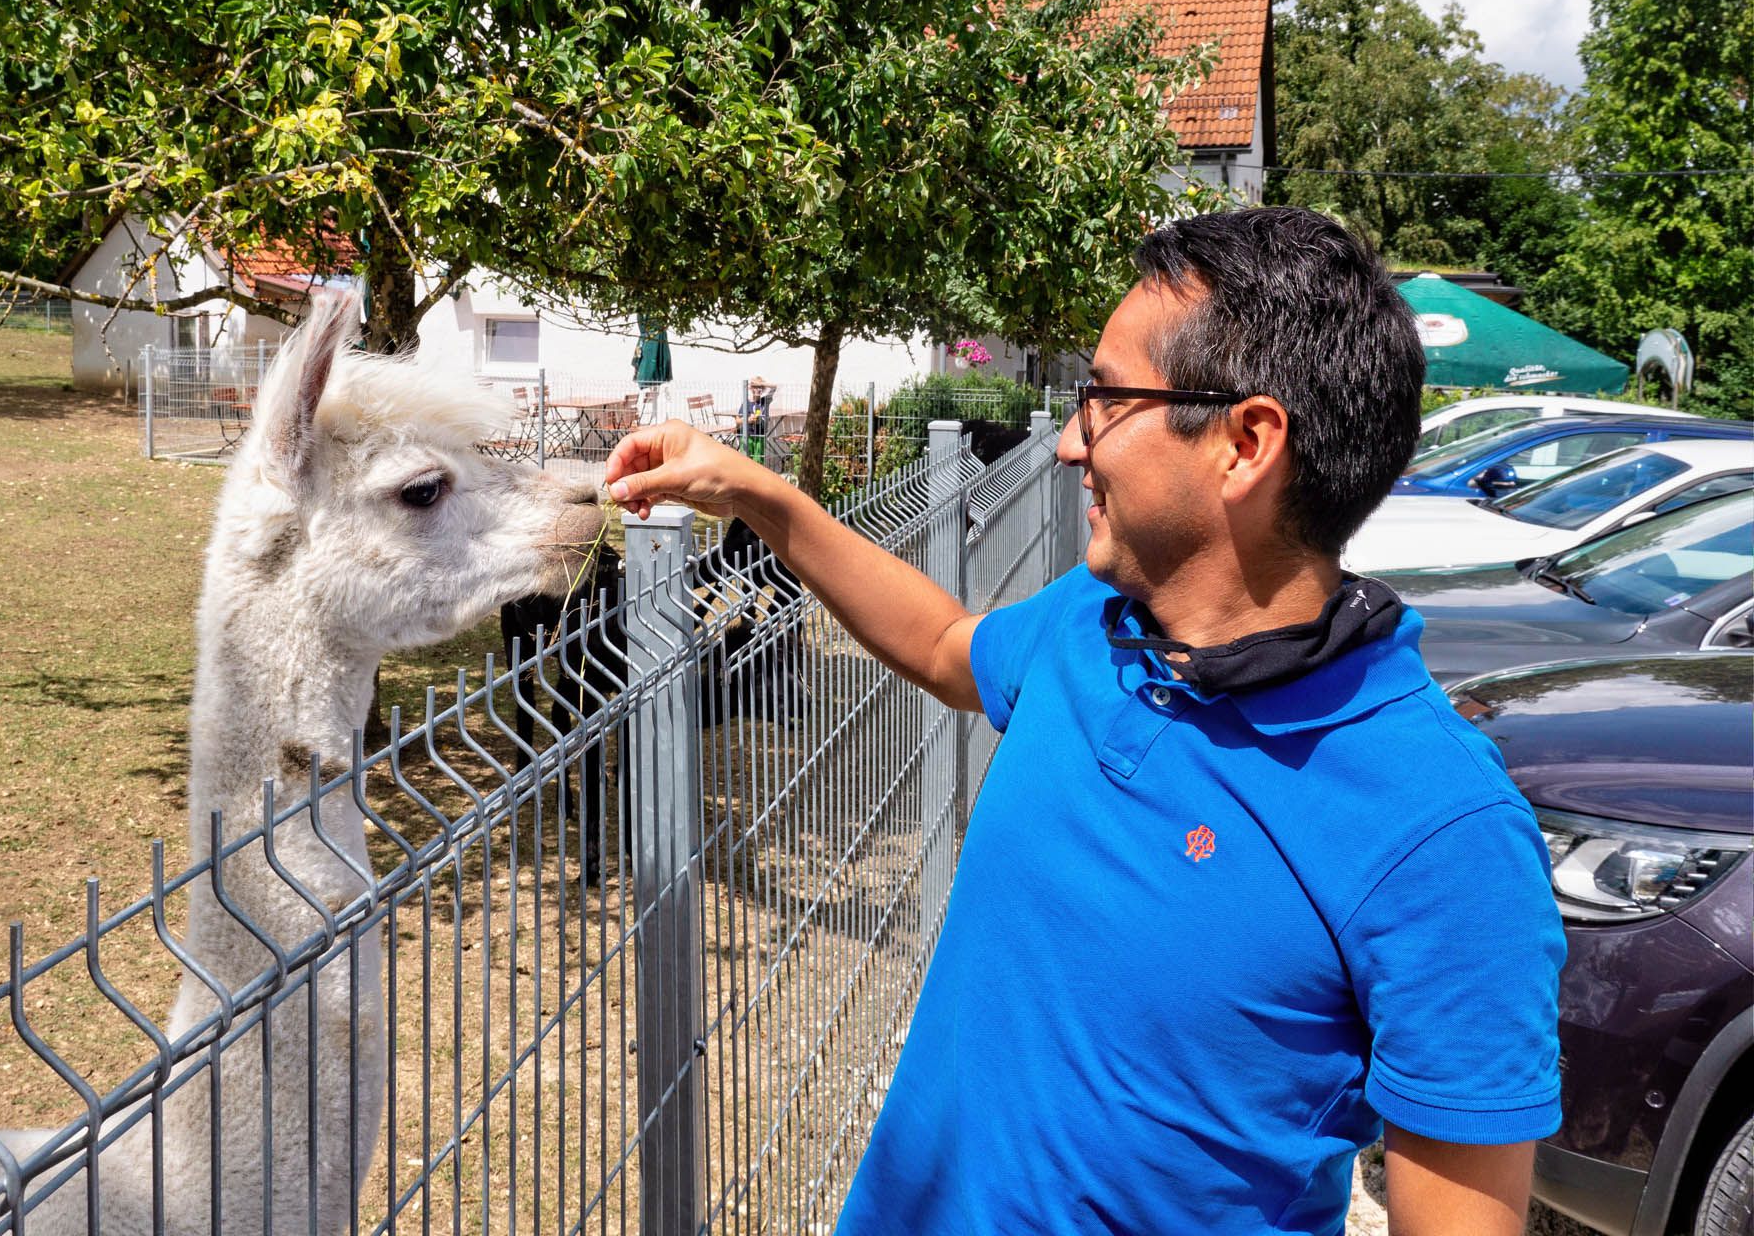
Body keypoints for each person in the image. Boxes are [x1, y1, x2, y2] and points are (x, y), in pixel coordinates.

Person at [605, 207, 1564, 1236]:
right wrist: (757, 493)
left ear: (1246, 443)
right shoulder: (1093, 623)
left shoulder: (1442, 836)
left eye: (1104, 398)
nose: (1069, 442)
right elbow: (942, 646)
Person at [736, 375, 776, 461]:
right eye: (756, 387)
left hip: (760, 435)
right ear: (751, 389)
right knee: (746, 459)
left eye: (760, 387)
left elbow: (775, 387)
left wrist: (761, 383)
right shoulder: (746, 403)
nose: (758, 389)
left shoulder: (765, 401)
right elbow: (738, 420)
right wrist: (748, 420)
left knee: (758, 460)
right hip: (748, 435)